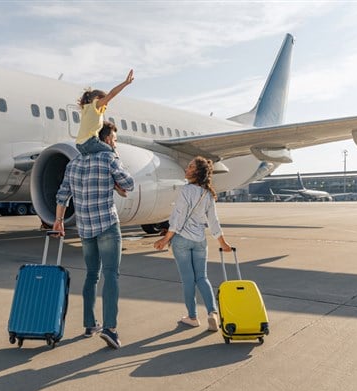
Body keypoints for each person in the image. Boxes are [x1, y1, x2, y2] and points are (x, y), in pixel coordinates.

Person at [53, 122, 134, 349]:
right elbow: (130, 183)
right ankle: (110, 328)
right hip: (107, 225)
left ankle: (89, 324)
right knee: (111, 275)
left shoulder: (74, 163)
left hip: (85, 229)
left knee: (91, 275)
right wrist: (115, 157)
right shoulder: (109, 158)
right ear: (107, 140)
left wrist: (58, 221)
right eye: (114, 140)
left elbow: (62, 196)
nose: (115, 143)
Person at [153, 156, 232, 332]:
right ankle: (213, 313)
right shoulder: (208, 194)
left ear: (196, 172)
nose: (186, 169)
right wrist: (223, 242)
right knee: (202, 278)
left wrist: (165, 239)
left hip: (181, 240)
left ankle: (192, 317)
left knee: (188, 280)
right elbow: (213, 221)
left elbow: (179, 219)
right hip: (199, 241)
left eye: (190, 167)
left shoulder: (185, 190)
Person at [76, 70, 134, 156]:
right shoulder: (96, 105)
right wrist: (125, 83)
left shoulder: (86, 109)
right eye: (105, 103)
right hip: (90, 142)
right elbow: (111, 94)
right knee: (112, 152)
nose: (105, 106)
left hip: (79, 145)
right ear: (97, 98)